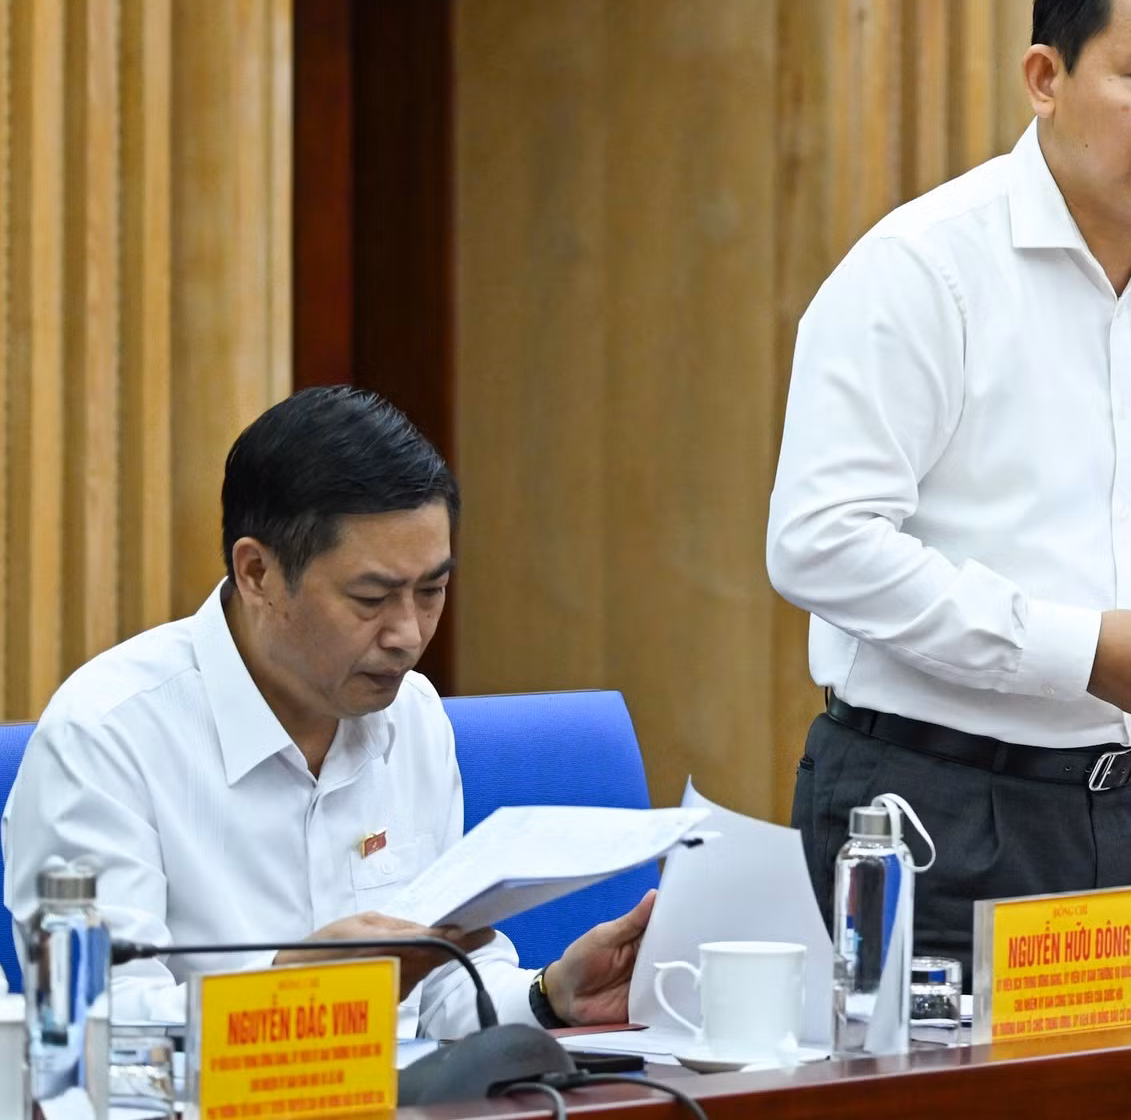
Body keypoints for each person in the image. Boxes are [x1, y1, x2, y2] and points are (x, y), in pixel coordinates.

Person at [770, 0, 1131, 966]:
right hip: (925, 807)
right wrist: (1073, 652)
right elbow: (820, 543)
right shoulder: (923, 267)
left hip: (1129, 809)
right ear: (1045, 77)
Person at [2, 386, 652, 1037]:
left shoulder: (413, 715)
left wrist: (551, 994)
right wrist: (292, 991)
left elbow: (437, 991)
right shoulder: (105, 737)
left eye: (432, 590)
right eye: (371, 598)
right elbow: (94, 1024)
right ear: (257, 573)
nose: (408, 634)